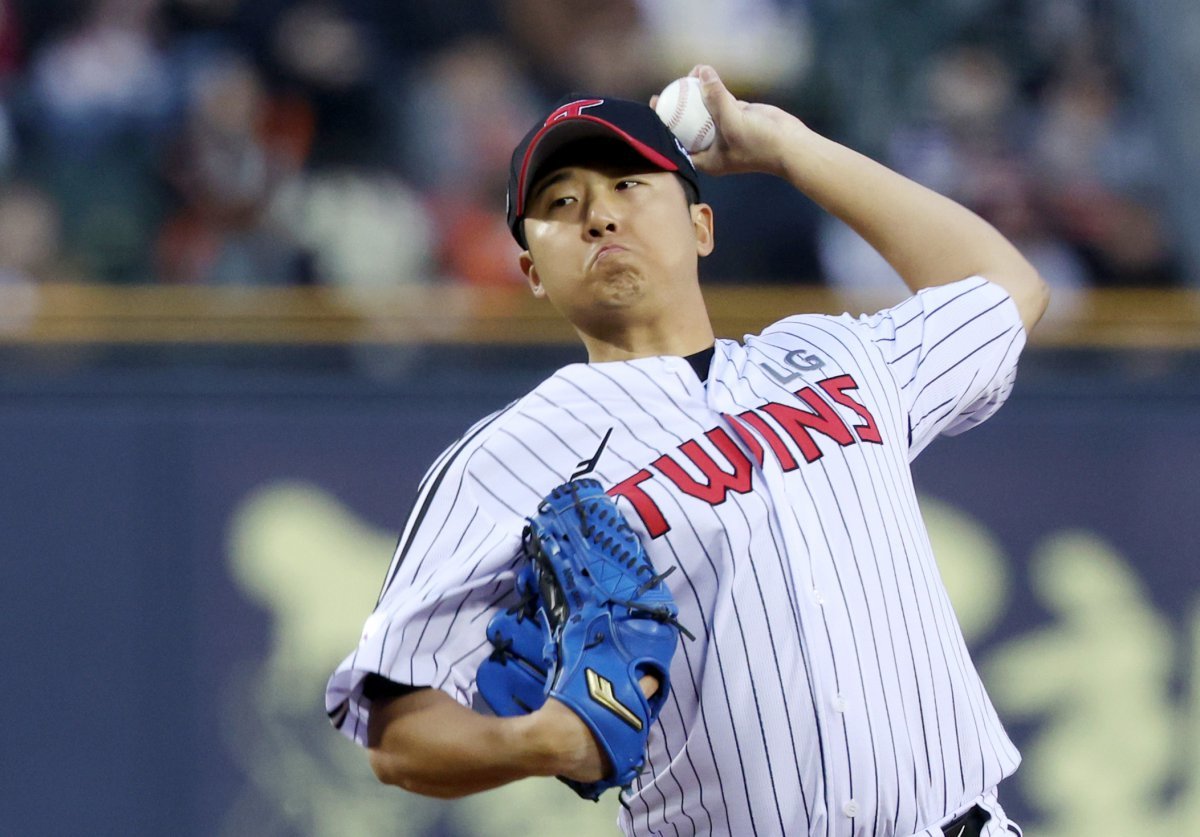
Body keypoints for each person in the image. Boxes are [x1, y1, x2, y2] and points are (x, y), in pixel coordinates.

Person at [325, 64, 1049, 836]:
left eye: (629, 184)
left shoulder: (836, 357)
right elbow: (397, 732)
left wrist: (790, 149)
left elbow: (1004, 285)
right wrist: (537, 741)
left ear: (702, 226)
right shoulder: (506, 456)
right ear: (532, 270)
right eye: (561, 202)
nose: (600, 215)